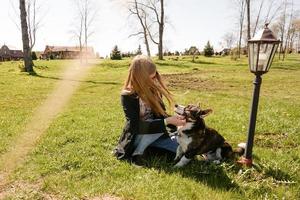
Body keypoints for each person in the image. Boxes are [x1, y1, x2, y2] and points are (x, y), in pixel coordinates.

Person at [113, 55, 186, 164]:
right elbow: (135, 126)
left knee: (185, 150)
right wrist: (166, 121)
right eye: (151, 78)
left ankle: (148, 150)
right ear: (139, 78)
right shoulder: (128, 96)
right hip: (138, 135)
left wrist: (177, 121)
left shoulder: (153, 91)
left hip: (156, 133)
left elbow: (161, 116)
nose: (155, 80)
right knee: (178, 151)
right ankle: (139, 151)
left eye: (155, 76)